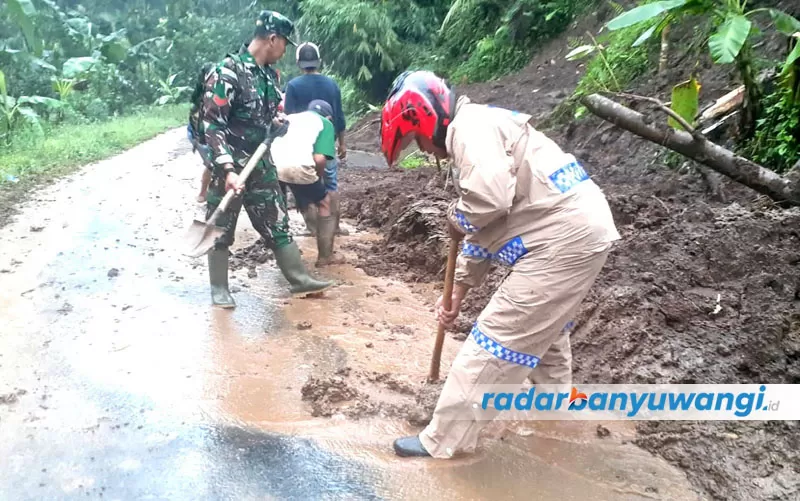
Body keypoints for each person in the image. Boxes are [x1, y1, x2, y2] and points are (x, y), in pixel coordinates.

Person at [379, 71, 621, 458]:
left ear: (425, 118)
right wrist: (457, 294)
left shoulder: (467, 131)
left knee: (497, 340)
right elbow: (484, 228)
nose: (423, 150)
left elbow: (487, 203)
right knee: (547, 332)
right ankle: (556, 419)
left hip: (562, 240)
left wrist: (456, 218)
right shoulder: (478, 128)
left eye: (415, 139)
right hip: (580, 232)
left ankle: (443, 441)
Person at [201, 10, 333, 308]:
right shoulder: (226, 73)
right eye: (284, 43)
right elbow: (213, 125)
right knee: (221, 226)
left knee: (277, 222)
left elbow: (270, 115)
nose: (286, 50)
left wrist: (277, 123)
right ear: (272, 39)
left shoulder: (268, 76)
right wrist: (226, 169)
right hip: (230, 167)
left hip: (260, 164)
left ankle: (300, 280)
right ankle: (219, 289)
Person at [283, 42, 348, 236]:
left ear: (298, 63)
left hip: (303, 145)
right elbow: (339, 117)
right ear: (319, 61)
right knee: (331, 184)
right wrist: (342, 143)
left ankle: (312, 229)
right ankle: (334, 228)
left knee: (305, 184)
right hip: (327, 142)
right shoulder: (331, 84)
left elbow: (289, 119)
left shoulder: (293, 86)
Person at [272, 99, 345, 267]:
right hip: (298, 167)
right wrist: (317, 178)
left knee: (278, 208)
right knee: (324, 202)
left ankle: (283, 257)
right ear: (328, 116)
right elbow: (319, 159)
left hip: (272, 164)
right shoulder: (325, 123)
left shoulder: (291, 117)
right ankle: (325, 257)